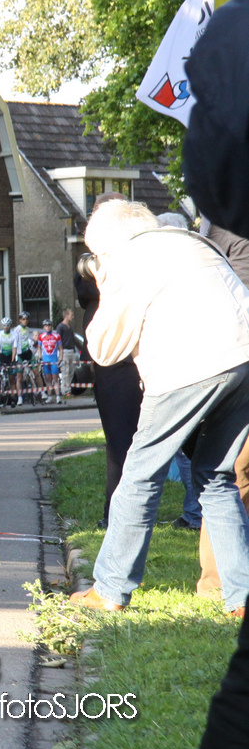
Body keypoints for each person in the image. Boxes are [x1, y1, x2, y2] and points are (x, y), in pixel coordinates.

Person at [68, 199, 249, 616]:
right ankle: (241, 595)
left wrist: (105, 282)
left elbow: (104, 349)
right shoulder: (192, 242)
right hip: (243, 361)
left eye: (97, 252)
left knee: (139, 475)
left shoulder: (131, 258)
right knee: (215, 477)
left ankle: (110, 589)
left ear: (109, 245)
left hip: (187, 368)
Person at [37, 319, 62, 404]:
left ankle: (58, 397)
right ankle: (49, 396)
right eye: (46, 326)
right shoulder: (41, 336)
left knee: (55, 379)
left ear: (51, 326)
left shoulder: (56, 336)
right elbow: (39, 348)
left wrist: (61, 359)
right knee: (48, 380)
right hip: (45, 361)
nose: (48, 327)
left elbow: (61, 348)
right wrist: (40, 357)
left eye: (49, 325)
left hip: (54, 360)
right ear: (44, 327)